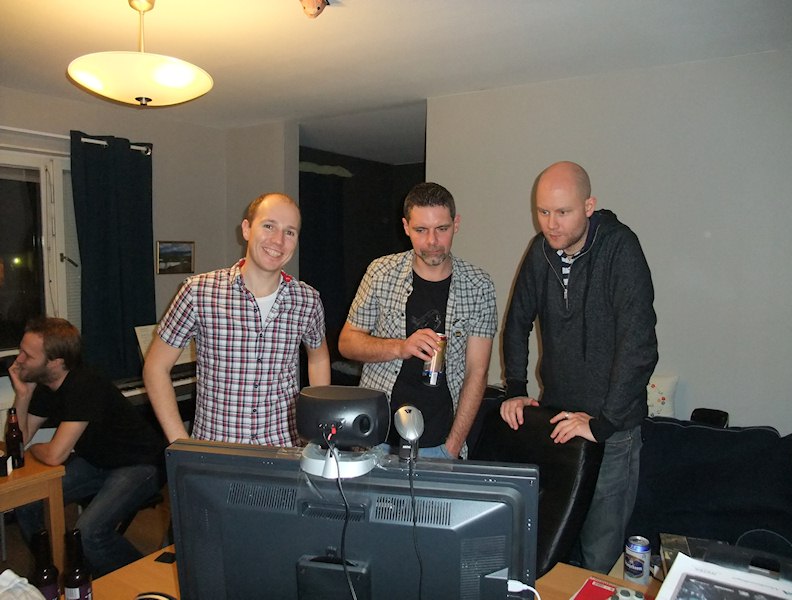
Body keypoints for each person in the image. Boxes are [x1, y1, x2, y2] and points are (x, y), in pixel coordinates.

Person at [500, 161, 658, 572]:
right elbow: (517, 320)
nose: (551, 224)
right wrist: (515, 388)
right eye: (543, 211)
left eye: (563, 212)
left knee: (598, 556)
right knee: (553, 548)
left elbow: (639, 344)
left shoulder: (620, 248)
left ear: (589, 206)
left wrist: (604, 423)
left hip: (611, 431)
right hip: (558, 421)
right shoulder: (540, 252)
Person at [143, 192, 330, 446]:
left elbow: (319, 358)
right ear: (246, 229)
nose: (278, 240)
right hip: (216, 452)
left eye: (290, 232)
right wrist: (182, 444)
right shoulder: (198, 292)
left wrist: (317, 430)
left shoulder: (307, 300)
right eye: (268, 226)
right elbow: (155, 368)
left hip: (284, 450)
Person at [339, 182, 497, 458]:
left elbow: (477, 372)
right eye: (421, 230)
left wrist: (452, 448)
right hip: (374, 439)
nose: (432, 241)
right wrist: (400, 347)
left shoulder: (479, 286)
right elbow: (347, 344)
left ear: (456, 224)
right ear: (406, 227)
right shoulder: (380, 273)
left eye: (441, 229)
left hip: (441, 442)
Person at [8, 317, 166, 577]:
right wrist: (23, 395)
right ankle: (56, 571)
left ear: (55, 362)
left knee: (89, 533)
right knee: (28, 502)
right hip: (98, 461)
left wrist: (36, 449)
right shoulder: (46, 385)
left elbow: (55, 455)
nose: (19, 359)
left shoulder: (84, 384)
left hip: (140, 464)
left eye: (28, 355)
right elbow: (19, 441)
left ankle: (146, 581)